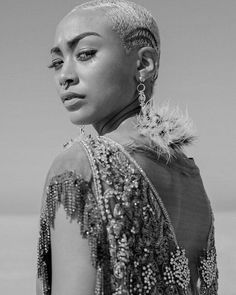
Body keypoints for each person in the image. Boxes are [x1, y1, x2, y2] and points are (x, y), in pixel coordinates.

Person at [36, 0, 218, 294]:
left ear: (144, 64)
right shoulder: (191, 177)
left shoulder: (80, 166)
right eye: (57, 62)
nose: (64, 75)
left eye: (85, 54)